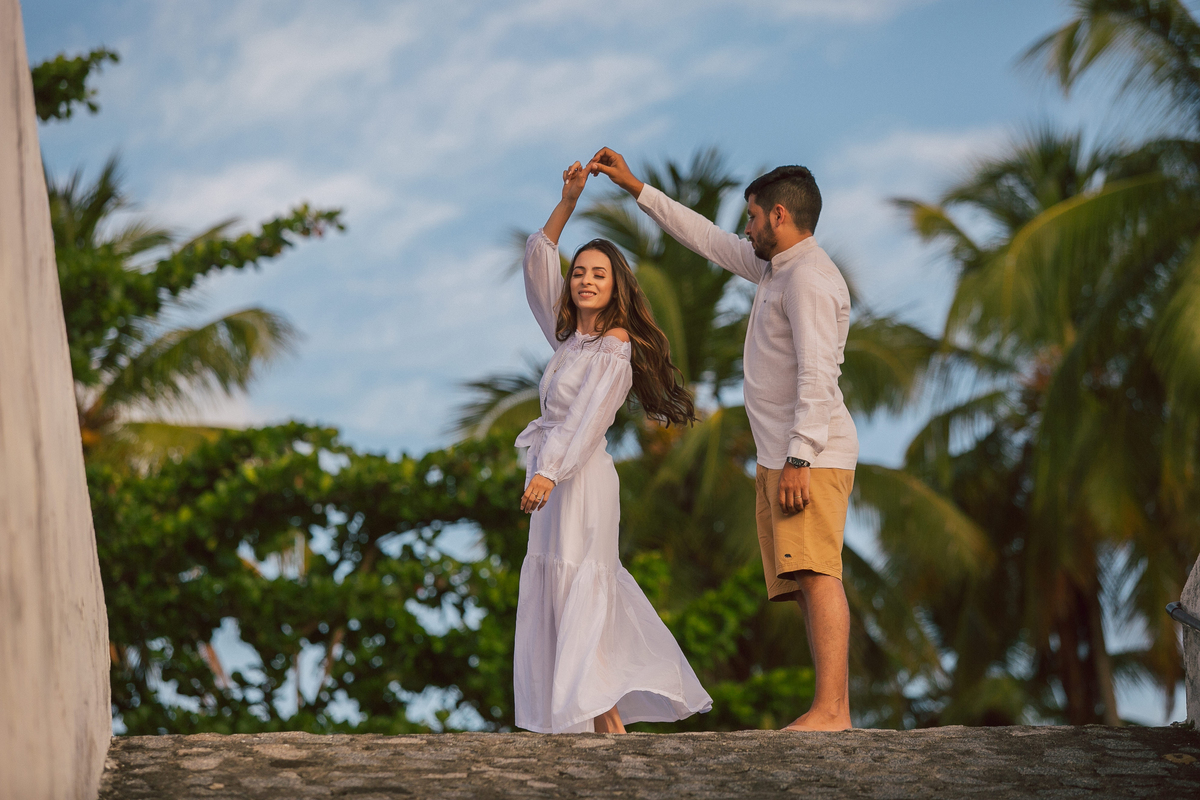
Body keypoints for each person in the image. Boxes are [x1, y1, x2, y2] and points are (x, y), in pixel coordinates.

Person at [588, 148, 858, 732]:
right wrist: (637, 187)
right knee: (804, 580)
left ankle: (833, 711)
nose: (747, 227)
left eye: (754, 217)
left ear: (780, 216)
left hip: (807, 454)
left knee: (819, 574)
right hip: (784, 455)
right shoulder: (775, 269)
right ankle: (829, 708)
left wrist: (799, 457)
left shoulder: (808, 278)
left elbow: (818, 373)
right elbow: (707, 239)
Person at [512, 161, 712, 734]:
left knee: (583, 584)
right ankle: (607, 727)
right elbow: (537, 259)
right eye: (579, 273)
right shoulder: (567, 339)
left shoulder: (614, 346)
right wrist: (568, 200)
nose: (585, 280)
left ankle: (609, 723)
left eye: (599, 273)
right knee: (559, 582)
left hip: (579, 477)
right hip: (552, 479)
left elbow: (587, 420)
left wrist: (549, 472)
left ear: (616, 284)